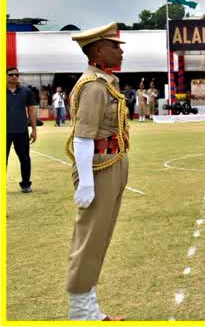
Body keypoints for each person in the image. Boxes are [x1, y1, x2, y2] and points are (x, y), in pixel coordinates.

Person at [64, 22, 130, 320]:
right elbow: (82, 136)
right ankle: (80, 311)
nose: (120, 50)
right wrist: (86, 183)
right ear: (97, 50)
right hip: (99, 167)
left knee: (100, 236)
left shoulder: (105, 82)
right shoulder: (93, 86)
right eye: (114, 45)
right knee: (90, 238)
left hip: (112, 163)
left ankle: (89, 307)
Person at [6, 67, 36, 193]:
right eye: (11, 74)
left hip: (22, 131)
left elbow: (31, 110)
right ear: (6, 75)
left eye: (16, 75)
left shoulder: (26, 91)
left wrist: (34, 129)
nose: (14, 77)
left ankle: (26, 184)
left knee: (25, 159)